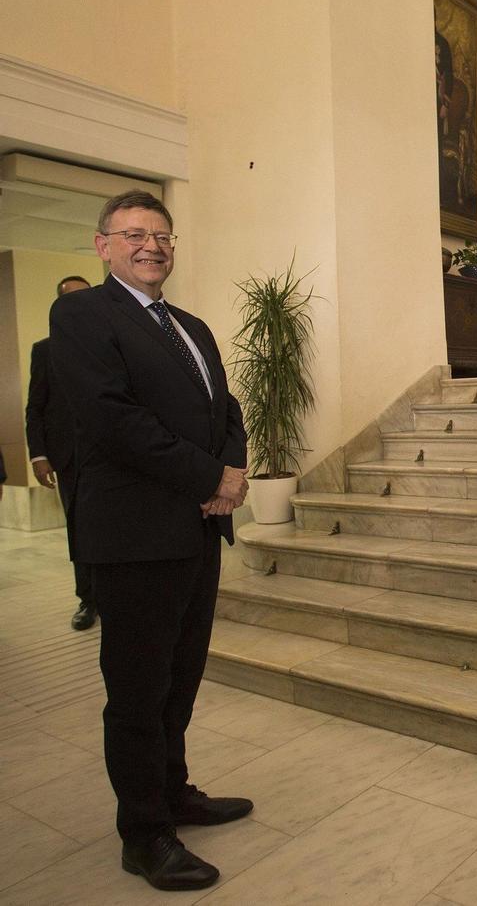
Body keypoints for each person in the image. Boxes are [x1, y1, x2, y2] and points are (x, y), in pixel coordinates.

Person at [49, 190, 252, 890]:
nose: (152, 245)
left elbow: (225, 407)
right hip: (134, 535)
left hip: (195, 532)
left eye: (162, 235)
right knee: (137, 690)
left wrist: (232, 467)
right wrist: (210, 475)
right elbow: (112, 420)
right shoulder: (80, 315)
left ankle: (173, 792)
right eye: (135, 233)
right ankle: (143, 832)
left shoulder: (190, 325)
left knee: (181, 677)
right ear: (103, 243)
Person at [26, 274, 94, 630]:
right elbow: (36, 405)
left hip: (113, 455)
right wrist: (39, 454)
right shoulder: (45, 350)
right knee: (80, 530)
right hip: (68, 457)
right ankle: (88, 599)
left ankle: (119, 596)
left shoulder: (111, 342)